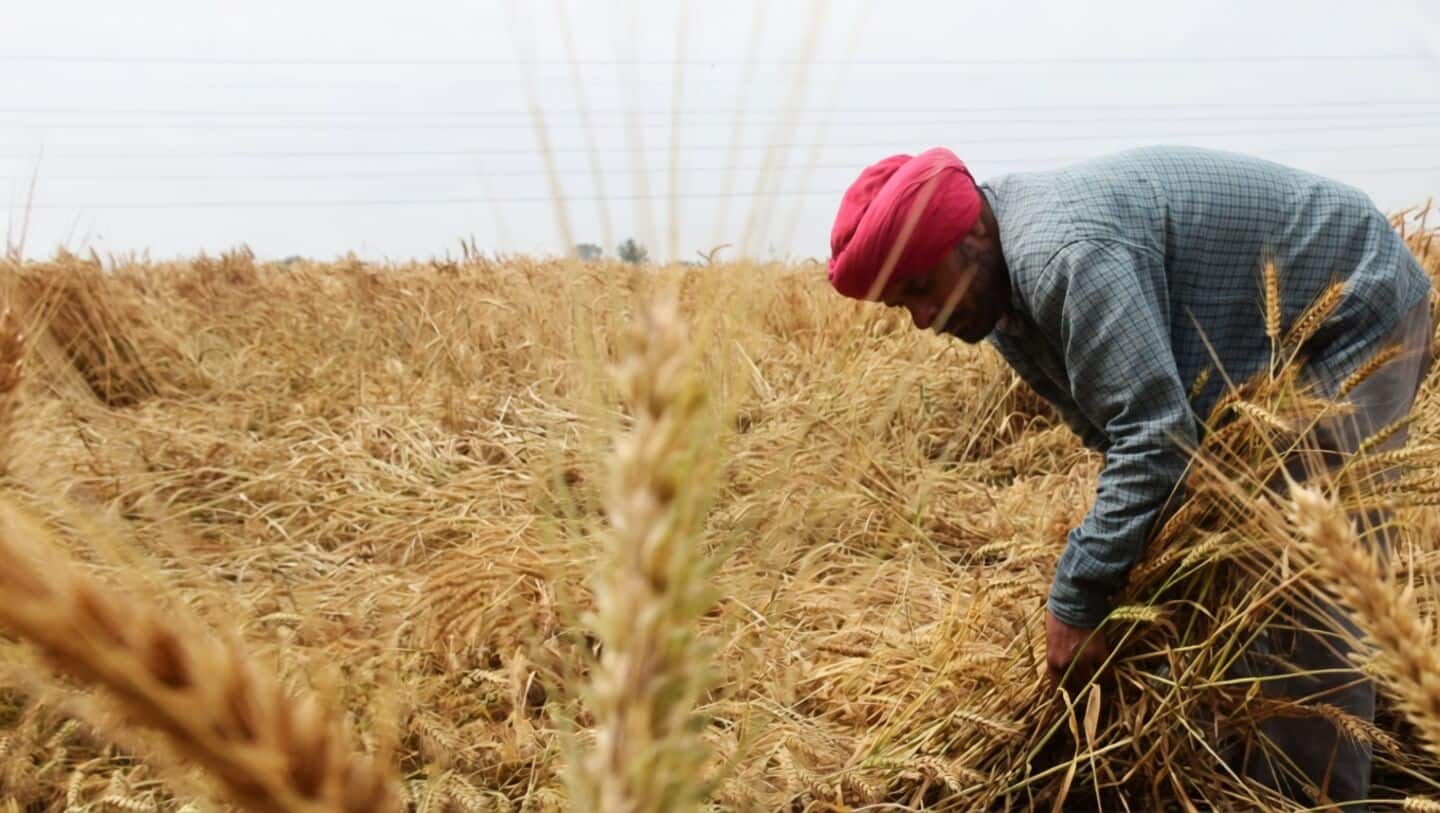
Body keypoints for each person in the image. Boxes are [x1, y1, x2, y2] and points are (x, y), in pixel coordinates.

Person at [825, 145, 1433, 805]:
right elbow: (1112, 427)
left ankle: (1316, 800)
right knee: (1218, 573)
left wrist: (1079, 592)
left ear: (970, 229)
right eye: (900, 304)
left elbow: (1156, 435)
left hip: (1350, 315)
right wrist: (1136, 563)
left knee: (1301, 583)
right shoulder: (995, 292)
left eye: (920, 286)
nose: (921, 318)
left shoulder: (1065, 256)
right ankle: (1245, 773)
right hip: (1260, 353)